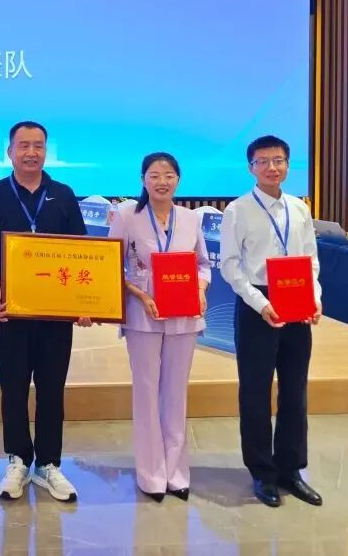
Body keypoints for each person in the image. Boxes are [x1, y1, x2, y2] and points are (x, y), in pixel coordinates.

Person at [0, 121, 92, 503]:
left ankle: (49, 464)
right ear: (9, 151)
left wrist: (82, 302)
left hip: (56, 314)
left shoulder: (64, 194)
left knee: (52, 388)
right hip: (12, 310)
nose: (31, 152)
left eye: (38, 145)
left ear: (46, 150)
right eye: (23, 145)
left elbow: (80, 251)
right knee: (12, 387)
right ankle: (18, 460)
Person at [220, 135, 323, 508]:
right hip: (256, 305)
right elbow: (230, 266)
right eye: (262, 161)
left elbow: (311, 260)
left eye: (278, 160)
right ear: (251, 168)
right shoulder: (238, 210)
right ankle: (262, 472)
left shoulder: (299, 208)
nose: (271, 168)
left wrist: (314, 298)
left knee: (295, 390)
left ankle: (290, 470)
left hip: (297, 300)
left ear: (288, 164)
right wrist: (262, 303)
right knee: (255, 391)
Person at [107, 152, 210, 502]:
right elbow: (112, 266)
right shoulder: (126, 216)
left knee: (176, 393)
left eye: (168, 175)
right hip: (143, 316)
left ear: (178, 180)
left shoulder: (191, 218)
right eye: (154, 175)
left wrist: (200, 288)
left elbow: (203, 264)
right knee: (147, 392)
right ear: (143, 180)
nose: (162, 181)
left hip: (184, 316)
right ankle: (151, 474)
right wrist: (140, 294)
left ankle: (177, 473)